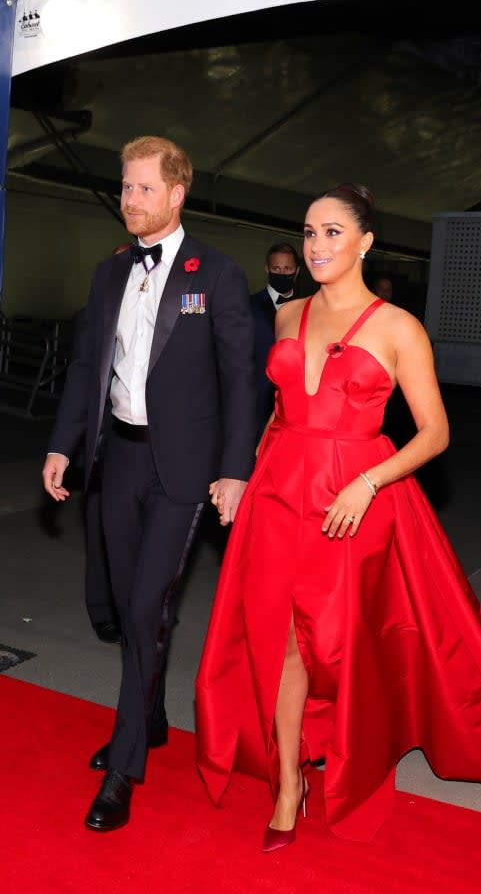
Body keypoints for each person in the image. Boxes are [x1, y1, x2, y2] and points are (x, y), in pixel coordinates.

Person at [194, 183, 481, 850]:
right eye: (309, 232)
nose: (317, 244)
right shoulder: (287, 315)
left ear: (364, 242)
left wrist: (368, 480)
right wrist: (241, 474)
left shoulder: (397, 326)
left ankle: (353, 747)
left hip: (353, 498)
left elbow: (435, 432)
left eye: (333, 232)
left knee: (343, 642)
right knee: (285, 639)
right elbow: (276, 411)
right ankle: (287, 784)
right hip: (278, 492)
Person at [42, 135, 257, 833]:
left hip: (183, 470)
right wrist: (61, 444)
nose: (129, 199)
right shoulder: (109, 276)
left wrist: (234, 468)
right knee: (133, 604)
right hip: (117, 460)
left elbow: (239, 379)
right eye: (125, 186)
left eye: (141, 188)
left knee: (143, 610)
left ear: (175, 193)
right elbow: (85, 370)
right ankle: (154, 718)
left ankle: (125, 766)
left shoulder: (216, 275)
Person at [71, 242, 133, 645]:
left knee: (138, 533)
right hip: (101, 439)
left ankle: (138, 608)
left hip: (141, 439)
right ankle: (102, 610)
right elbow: (80, 380)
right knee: (99, 527)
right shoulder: (90, 315)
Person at [250, 242, 301, 439]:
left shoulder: (309, 309)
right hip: (256, 404)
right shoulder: (247, 306)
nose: (282, 273)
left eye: (287, 269)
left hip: (293, 407)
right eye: (276, 269)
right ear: (267, 269)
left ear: (296, 271)